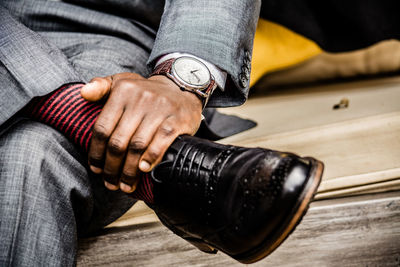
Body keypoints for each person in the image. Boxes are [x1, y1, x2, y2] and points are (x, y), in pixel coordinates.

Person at [0, 0, 325, 266]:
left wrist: (182, 79)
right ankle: (162, 174)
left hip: (110, 29)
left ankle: (70, 113)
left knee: (30, 153)